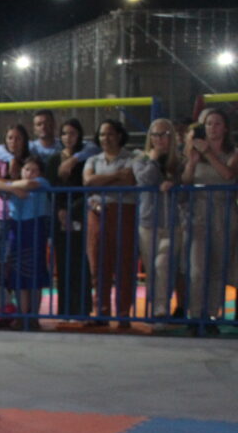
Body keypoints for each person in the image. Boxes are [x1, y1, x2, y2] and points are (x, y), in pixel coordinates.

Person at [180, 108, 237, 330]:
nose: (213, 128)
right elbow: (185, 180)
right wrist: (193, 160)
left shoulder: (233, 153)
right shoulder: (192, 151)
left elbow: (228, 175)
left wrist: (209, 154)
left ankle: (212, 314)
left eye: (217, 124)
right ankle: (195, 314)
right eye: (209, 124)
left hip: (223, 213)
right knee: (196, 268)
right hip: (198, 213)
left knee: (217, 268)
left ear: (225, 128)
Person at [83, 119, 139, 327]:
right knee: (97, 264)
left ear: (119, 135)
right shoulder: (93, 160)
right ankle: (102, 312)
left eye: (110, 134)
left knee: (124, 264)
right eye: (102, 135)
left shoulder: (133, 157)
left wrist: (102, 181)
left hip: (124, 212)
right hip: (97, 214)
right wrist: (116, 177)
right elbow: (88, 182)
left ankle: (124, 314)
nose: (106, 139)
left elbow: (130, 180)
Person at [133, 118, 183, 326]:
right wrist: (154, 160)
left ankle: (162, 308)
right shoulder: (140, 158)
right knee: (152, 269)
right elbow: (144, 179)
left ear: (171, 137)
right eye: (155, 135)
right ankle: (157, 309)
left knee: (163, 263)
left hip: (173, 223)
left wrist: (174, 183)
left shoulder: (180, 160)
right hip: (148, 222)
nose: (159, 139)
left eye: (164, 134)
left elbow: (185, 180)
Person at [44, 119, 93, 319]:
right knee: (63, 263)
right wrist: (60, 211)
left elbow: (85, 189)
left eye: (72, 133)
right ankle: (64, 310)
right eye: (64, 133)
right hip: (59, 217)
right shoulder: (54, 159)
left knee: (81, 262)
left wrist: (72, 210)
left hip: (80, 214)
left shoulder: (86, 158)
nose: (68, 137)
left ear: (79, 135)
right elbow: (50, 187)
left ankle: (82, 309)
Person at [0, 156, 52, 326]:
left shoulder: (42, 182)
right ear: (21, 171)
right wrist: (12, 188)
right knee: (18, 274)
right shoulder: (16, 187)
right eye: (27, 169)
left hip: (35, 229)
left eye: (34, 170)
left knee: (35, 274)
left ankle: (34, 317)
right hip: (16, 229)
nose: (30, 173)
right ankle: (22, 315)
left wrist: (10, 186)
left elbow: (28, 185)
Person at [0, 124, 31, 283]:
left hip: (22, 215)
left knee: (18, 257)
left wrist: (5, 185)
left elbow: (29, 183)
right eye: (10, 138)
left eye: (18, 138)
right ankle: (2, 290)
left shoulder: (29, 160)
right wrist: (14, 187)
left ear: (24, 140)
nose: (14, 141)